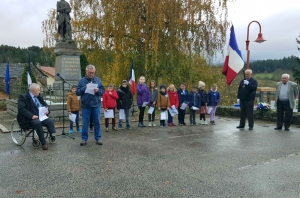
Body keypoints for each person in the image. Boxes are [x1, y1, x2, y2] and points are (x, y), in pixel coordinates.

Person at [17, 83, 56, 150]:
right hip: (29, 118)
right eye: (38, 90)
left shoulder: (38, 96)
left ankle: (52, 134)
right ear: (33, 90)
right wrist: (31, 116)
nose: (39, 91)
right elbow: (21, 109)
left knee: (50, 121)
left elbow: (45, 104)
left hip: (40, 116)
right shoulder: (23, 97)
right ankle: (43, 143)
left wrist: (47, 110)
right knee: (37, 123)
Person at [76, 65, 105, 146]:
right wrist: (84, 88)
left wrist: (98, 90)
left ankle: (98, 138)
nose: (91, 74)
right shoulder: (81, 81)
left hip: (96, 105)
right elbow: (77, 92)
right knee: (85, 123)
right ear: (86, 72)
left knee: (97, 122)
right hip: (86, 105)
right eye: (90, 73)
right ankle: (84, 139)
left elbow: (103, 91)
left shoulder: (98, 80)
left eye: (93, 73)